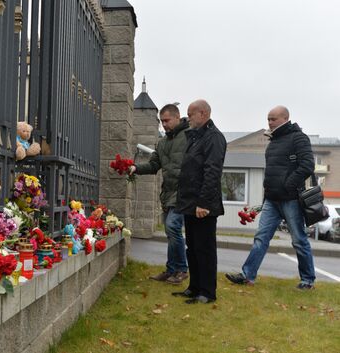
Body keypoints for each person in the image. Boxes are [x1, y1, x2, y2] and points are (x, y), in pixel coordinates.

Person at [226, 106, 316, 289]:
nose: (269, 122)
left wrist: (288, 184)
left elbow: (307, 165)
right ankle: (247, 275)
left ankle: (307, 281)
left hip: (291, 199)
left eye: (273, 119)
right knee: (261, 237)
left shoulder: (299, 138)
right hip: (271, 200)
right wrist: (267, 194)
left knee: (298, 240)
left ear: (285, 118)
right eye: (268, 119)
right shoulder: (273, 142)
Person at [172, 99, 226, 304]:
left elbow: (212, 172)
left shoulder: (214, 138)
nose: (188, 118)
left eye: (191, 114)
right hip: (190, 203)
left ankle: (207, 291)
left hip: (204, 205)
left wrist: (203, 203)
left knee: (204, 248)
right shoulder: (195, 137)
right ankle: (194, 287)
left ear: (203, 114)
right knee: (192, 247)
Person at [129, 104, 190, 285]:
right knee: (171, 232)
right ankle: (172, 269)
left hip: (184, 192)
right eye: (162, 121)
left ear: (177, 117)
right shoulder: (162, 143)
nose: (164, 125)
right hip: (168, 193)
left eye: (167, 120)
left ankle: (182, 269)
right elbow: (153, 165)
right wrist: (135, 168)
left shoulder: (189, 137)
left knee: (172, 226)